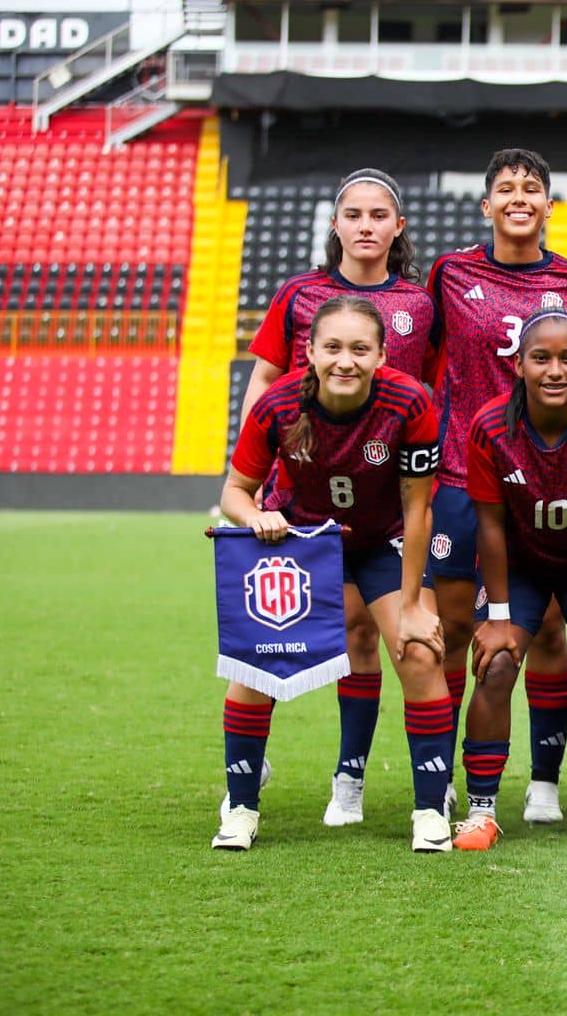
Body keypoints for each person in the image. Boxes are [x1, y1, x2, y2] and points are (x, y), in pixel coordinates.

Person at [213, 295, 450, 852]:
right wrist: (257, 516)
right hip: (299, 543)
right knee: (252, 667)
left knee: (419, 651)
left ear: (383, 354)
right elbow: (233, 493)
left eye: (361, 349)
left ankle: (430, 810)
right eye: (333, 348)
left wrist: (414, 606)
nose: (346, 361)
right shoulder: (276, 406)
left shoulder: (411, 402)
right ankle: (242, 807)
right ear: (310, 353)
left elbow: (418, 508)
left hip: (379, 542)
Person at [239, 168, 439, 830]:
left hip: (385, 498)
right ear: (335, 224)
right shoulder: (299, 295)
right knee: (278, 643)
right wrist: (255, 474)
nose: (365, 225)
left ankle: (350, 775)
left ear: (397, 226)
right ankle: (247, 766)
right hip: (304, 493)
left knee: (371, 633)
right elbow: (266, 378)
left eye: (378, 214)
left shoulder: (418, 301)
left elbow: (430, 393)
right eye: (352, 214)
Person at [426, 148, 567, 825]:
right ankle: (436, 774)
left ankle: (546, 784)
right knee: (454, 629)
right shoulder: (451, 273)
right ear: (487, 204)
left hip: (548, 481)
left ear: (549, 205)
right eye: (506, 187)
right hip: (462, 477)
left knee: (549, 629)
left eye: (532, 187)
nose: (519, 196)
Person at [455, 307, 567, 852]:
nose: (554, 370)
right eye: (541, 358)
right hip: (519, 564)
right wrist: (498, 616)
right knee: (496, 662)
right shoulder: (490, 425)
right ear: (518, 365)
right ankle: (481, 809)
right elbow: (488, 524)